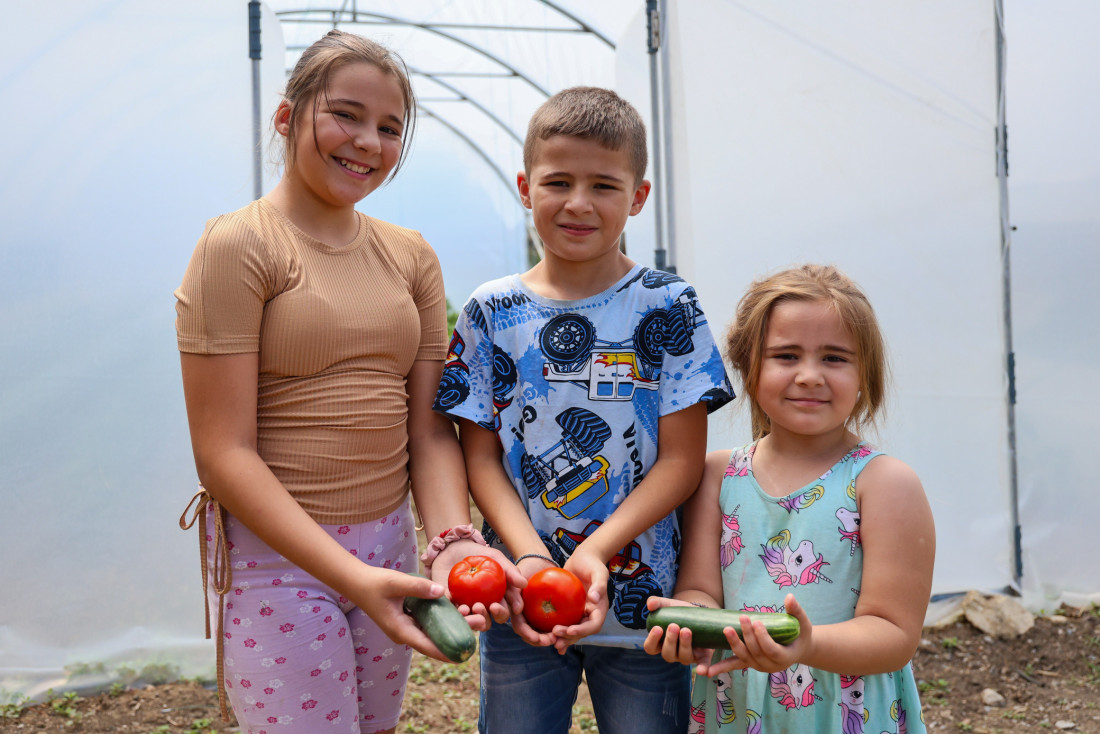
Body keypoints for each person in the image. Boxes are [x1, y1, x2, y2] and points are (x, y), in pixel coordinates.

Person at [174, 30, 521, 734]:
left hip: (389, 545)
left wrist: (451, 537)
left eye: (390, 128)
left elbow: (426, 428)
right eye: (346, 114)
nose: (368, 141)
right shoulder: (239, 246)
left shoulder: (410, 255)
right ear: (287, 117)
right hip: (280, 560)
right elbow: (224, 453)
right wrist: (350, 578)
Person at [432, 86, 735, 734]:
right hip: (521, 597)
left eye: (603, 185)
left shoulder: (667, 307)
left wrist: (596, 552)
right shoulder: (490, 311)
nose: (577, 202)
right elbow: (477, 457)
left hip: (646, 605)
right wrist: (532, 560)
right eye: (558, 181)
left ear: (638, 197)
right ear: (524, 186)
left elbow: (681, 462)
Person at [643, 264, 935, 733]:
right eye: (786, 355)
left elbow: (894, 634)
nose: (809, 376)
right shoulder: (718, 474)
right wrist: (690, 625)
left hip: (844, 711)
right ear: (748, 365)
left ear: (866, 373)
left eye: (835, 358)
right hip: (736, 707)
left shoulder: (884, 483)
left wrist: (807, 645)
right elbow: (701, 590)